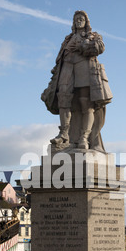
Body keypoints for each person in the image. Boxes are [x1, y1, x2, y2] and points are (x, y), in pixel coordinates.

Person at [41, 10, 112, 152]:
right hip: (67, 69)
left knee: (86, 103)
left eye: (81, 18)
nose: (79, 20)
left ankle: (84, 138)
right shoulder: (67, 39)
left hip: (84, 69)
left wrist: (82, 46)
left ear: (86, 21)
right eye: (76, 18)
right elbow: (59, 59)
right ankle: (64, 134)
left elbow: (100, 47)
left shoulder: (93, 36)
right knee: (63, 100)